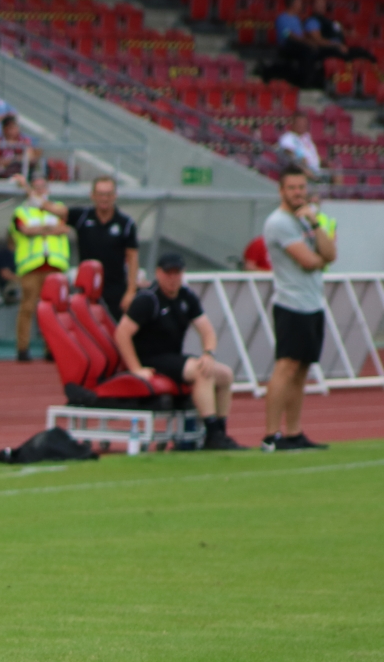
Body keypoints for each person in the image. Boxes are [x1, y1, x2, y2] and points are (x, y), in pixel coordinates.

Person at [113, 253, 239, 450]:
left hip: (173, 357)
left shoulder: (186, 296)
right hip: (152, 359)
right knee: (202, 372)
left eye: (177, 273)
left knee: (225, 374)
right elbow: (122, 333)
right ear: (158, 273)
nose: (172, 278)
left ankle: (221, 431)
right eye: (168, 273)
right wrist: (136, 369)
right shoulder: (148, 299)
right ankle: (212, 433)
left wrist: (208, 353)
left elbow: (207, 330)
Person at [261, 165, 336, 451]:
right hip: (291, 303)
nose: (298, 193)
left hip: (313, 302)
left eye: (301, 187)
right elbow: (309, 261)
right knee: (286, 366)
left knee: (302, 368)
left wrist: (315, 224)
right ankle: (271, 435)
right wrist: (320, 258)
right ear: (281, 190)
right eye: (292, 188)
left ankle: (293, 432)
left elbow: (330, 254)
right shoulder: (279, 222)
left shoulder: (307, 219)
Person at [17, 171, 137, 318]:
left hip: (116, 289)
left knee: (115, 328)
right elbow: (51, 208)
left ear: (115, 196)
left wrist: (131, 291)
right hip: (87, 290)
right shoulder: (82, 216)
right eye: (100, 194)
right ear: (92, 195)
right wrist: (27, 188)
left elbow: (132, 258)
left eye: (108, 194)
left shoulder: (125, 223)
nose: (104, 198)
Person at [9, 172, 69, 362]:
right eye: (36, 187)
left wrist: (40, 231)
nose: (40, 191)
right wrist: (48, 230)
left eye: (43, 187)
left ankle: (51, 349)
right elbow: (25, 230)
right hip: (32, 267)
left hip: (54, 266)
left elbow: (64, 227)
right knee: (27, 307)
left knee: (53, 309)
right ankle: (23, 349)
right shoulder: (22, 211)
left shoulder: (57, 208)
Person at [275, 112, 323, 179]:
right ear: (293, 124)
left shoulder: (306, 138)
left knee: (336, 174)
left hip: (317, 171)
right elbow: (288, 153)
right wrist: (300, 160)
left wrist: (324, 162)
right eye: (299, 123)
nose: (302, 126)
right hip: (298, 172)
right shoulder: (287, 138)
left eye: (304, 124)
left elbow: (313, 155)